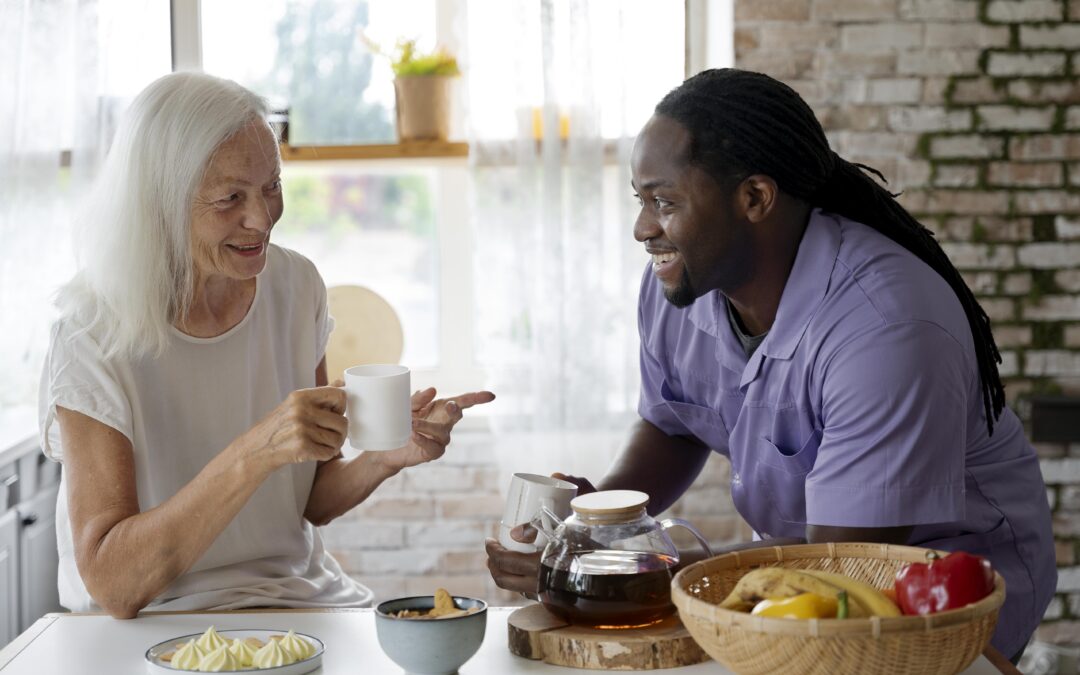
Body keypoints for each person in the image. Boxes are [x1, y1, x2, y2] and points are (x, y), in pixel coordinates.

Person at [485, 68, 1054, 661]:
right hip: (801, 576)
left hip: (943, 591)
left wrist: (620, 567)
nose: (642, 228)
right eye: (640, 200)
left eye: (664, 201)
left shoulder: (886, 328)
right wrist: (598, 526)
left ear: (754, 197)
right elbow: (674, 423)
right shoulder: (680, 283)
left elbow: (843, 566)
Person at [39, 72, 494, 618]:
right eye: (231, 197)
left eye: (272, 187)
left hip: (299, 604)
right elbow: (114, 585)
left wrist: (383, 459)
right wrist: (259, 448)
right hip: (160, 623)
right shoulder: (92, 328)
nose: (262, 219)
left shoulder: (296, 287)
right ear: (160, 200)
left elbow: (310, 501)